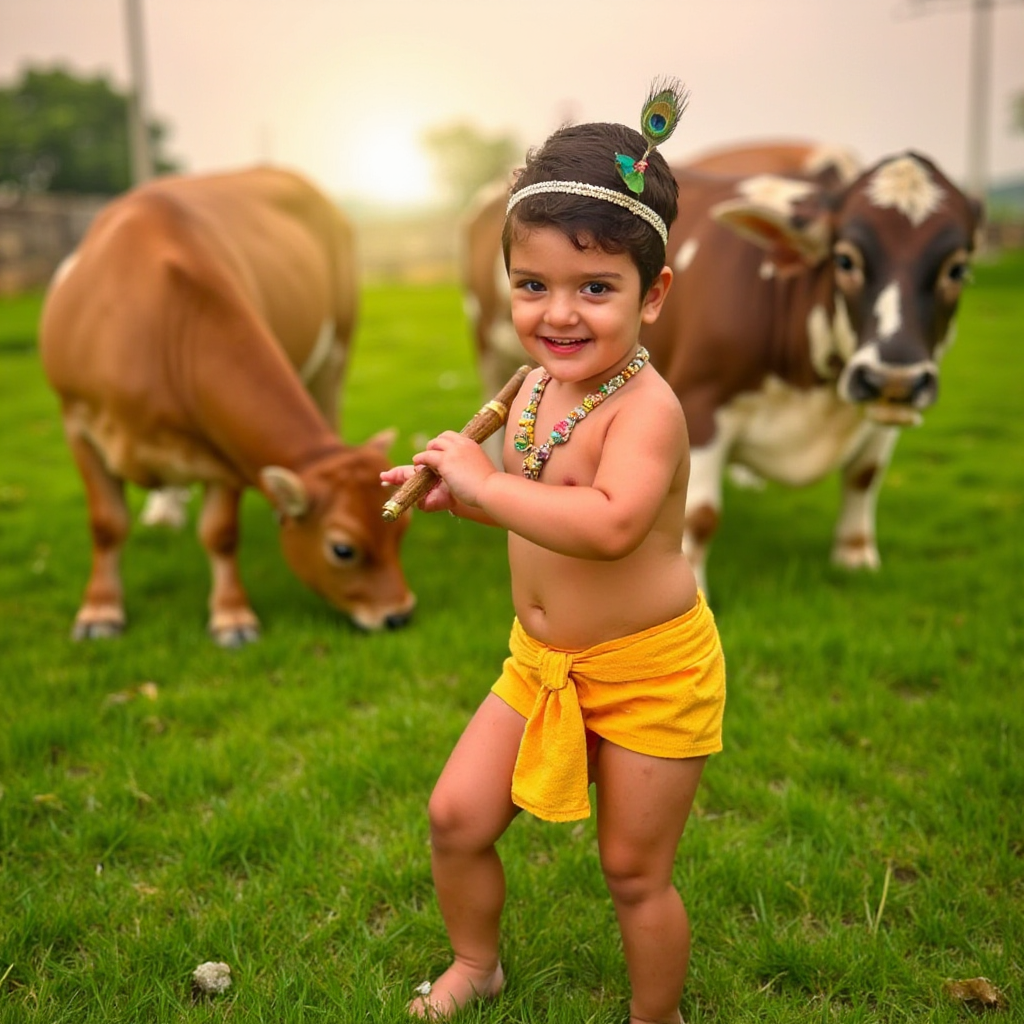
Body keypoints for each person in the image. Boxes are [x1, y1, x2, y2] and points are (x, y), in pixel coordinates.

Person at [381, 78, 725, 1024]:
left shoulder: (646, 410)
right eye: (532, 286)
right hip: (541, 663)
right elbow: (538, 499)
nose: (559, 314)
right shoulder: (533, 385)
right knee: (456, 817)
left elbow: (612, 524)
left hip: (650, 670)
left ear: (652, 293)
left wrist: (493, 485)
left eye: (595, 289)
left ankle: (657, 1018)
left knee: (633, 870)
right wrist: (470, 502)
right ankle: (475, 963)